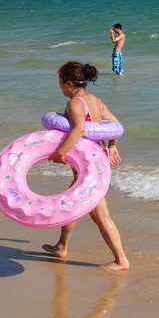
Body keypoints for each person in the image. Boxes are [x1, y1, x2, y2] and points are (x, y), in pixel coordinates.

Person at [42, 62, 130, 271]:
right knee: (71, 203)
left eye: (60, 83)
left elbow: (80, 129)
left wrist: (59, 152)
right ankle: (61, 246)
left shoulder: (75, 103)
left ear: (69, 83)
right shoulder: (96, 101)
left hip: (88, 167)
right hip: (94, 161)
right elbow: (115, 125)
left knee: (101, 216)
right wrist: (113, 146)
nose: (59, 87)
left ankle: (121, 260)